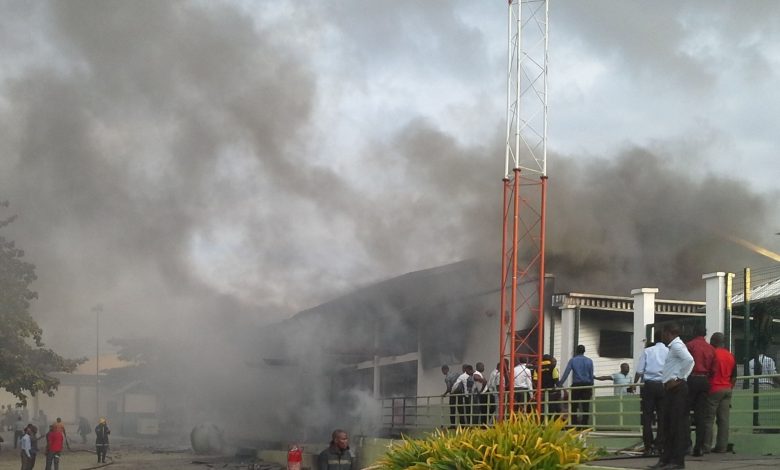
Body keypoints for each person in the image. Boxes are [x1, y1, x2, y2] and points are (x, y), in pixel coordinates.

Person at [649, 323, 694, 470]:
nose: (662, 336)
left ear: (668, 333)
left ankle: (677, 461)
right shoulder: (673, 347)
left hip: (677, 389)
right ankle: (666, 459)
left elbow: (689, 360)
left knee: (676, 426)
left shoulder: (677, 346)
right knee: (667, 425)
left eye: (663, 333)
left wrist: (679, 378)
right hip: (669, 389)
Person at [634, 339, 669, 456]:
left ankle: (648, 446)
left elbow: (639, 370)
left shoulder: (647, 351)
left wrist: (634, 383)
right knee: (662, 417)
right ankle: (660, 446)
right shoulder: (668, 351)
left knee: (647, 417)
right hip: (663, 385)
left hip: (649, 386)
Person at [685, 323, 715, 457]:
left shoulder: (689, 345)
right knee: (701, 415)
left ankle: (687, 445)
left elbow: (684, 363)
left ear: (693, 331)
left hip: (691, 379)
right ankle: (700, 447)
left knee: (684, 413)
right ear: (704, 334)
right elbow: (713, 369)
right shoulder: (710, 348)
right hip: (704, 380)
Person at [705, 332, 736, 454]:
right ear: (722, 342)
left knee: (709, 419)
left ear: (712, 341)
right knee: (723, 420)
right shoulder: (730, 355)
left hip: (713, 389)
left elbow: (708, 372)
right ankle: (721, 446)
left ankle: (706, 446)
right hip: (727, 389)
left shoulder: (711, 354)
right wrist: (729, 388)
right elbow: (734, 376)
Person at [559, 345, 594, 426]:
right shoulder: (589, 361)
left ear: (576, 351)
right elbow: (591, 375)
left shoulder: (573, 360)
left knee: (574, 405)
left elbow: (566, 373)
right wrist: (591, 386)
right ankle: (584, 425)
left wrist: (560, 383)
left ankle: (575, 425)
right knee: (586, 406)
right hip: (587, 385)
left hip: (577, 385)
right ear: (584, 351)